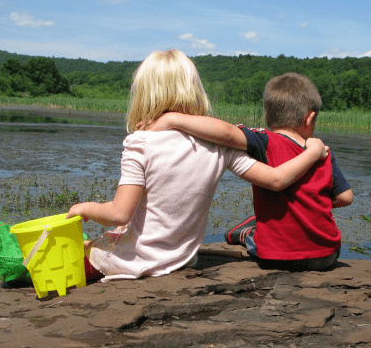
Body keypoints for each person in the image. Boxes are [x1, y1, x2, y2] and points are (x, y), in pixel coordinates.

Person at [66, 52, 329, 281]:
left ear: (144, 94)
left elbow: (119, 213)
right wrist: (313, 151)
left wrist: (86, 208)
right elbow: (276, 180)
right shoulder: (218, 146)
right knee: (116, 233)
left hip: (135, 262)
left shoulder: (140, 143)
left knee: (75, 253)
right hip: (181, 261)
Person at [143, 72, 353, 271]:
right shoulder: (323, 153)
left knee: (253, 235)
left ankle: (243, 233)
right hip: (327, 256)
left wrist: (172, 119)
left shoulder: (264, 141)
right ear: (309, 118)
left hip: (275, 256)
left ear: (267, 115)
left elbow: (226, 132)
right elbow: (345, 197)